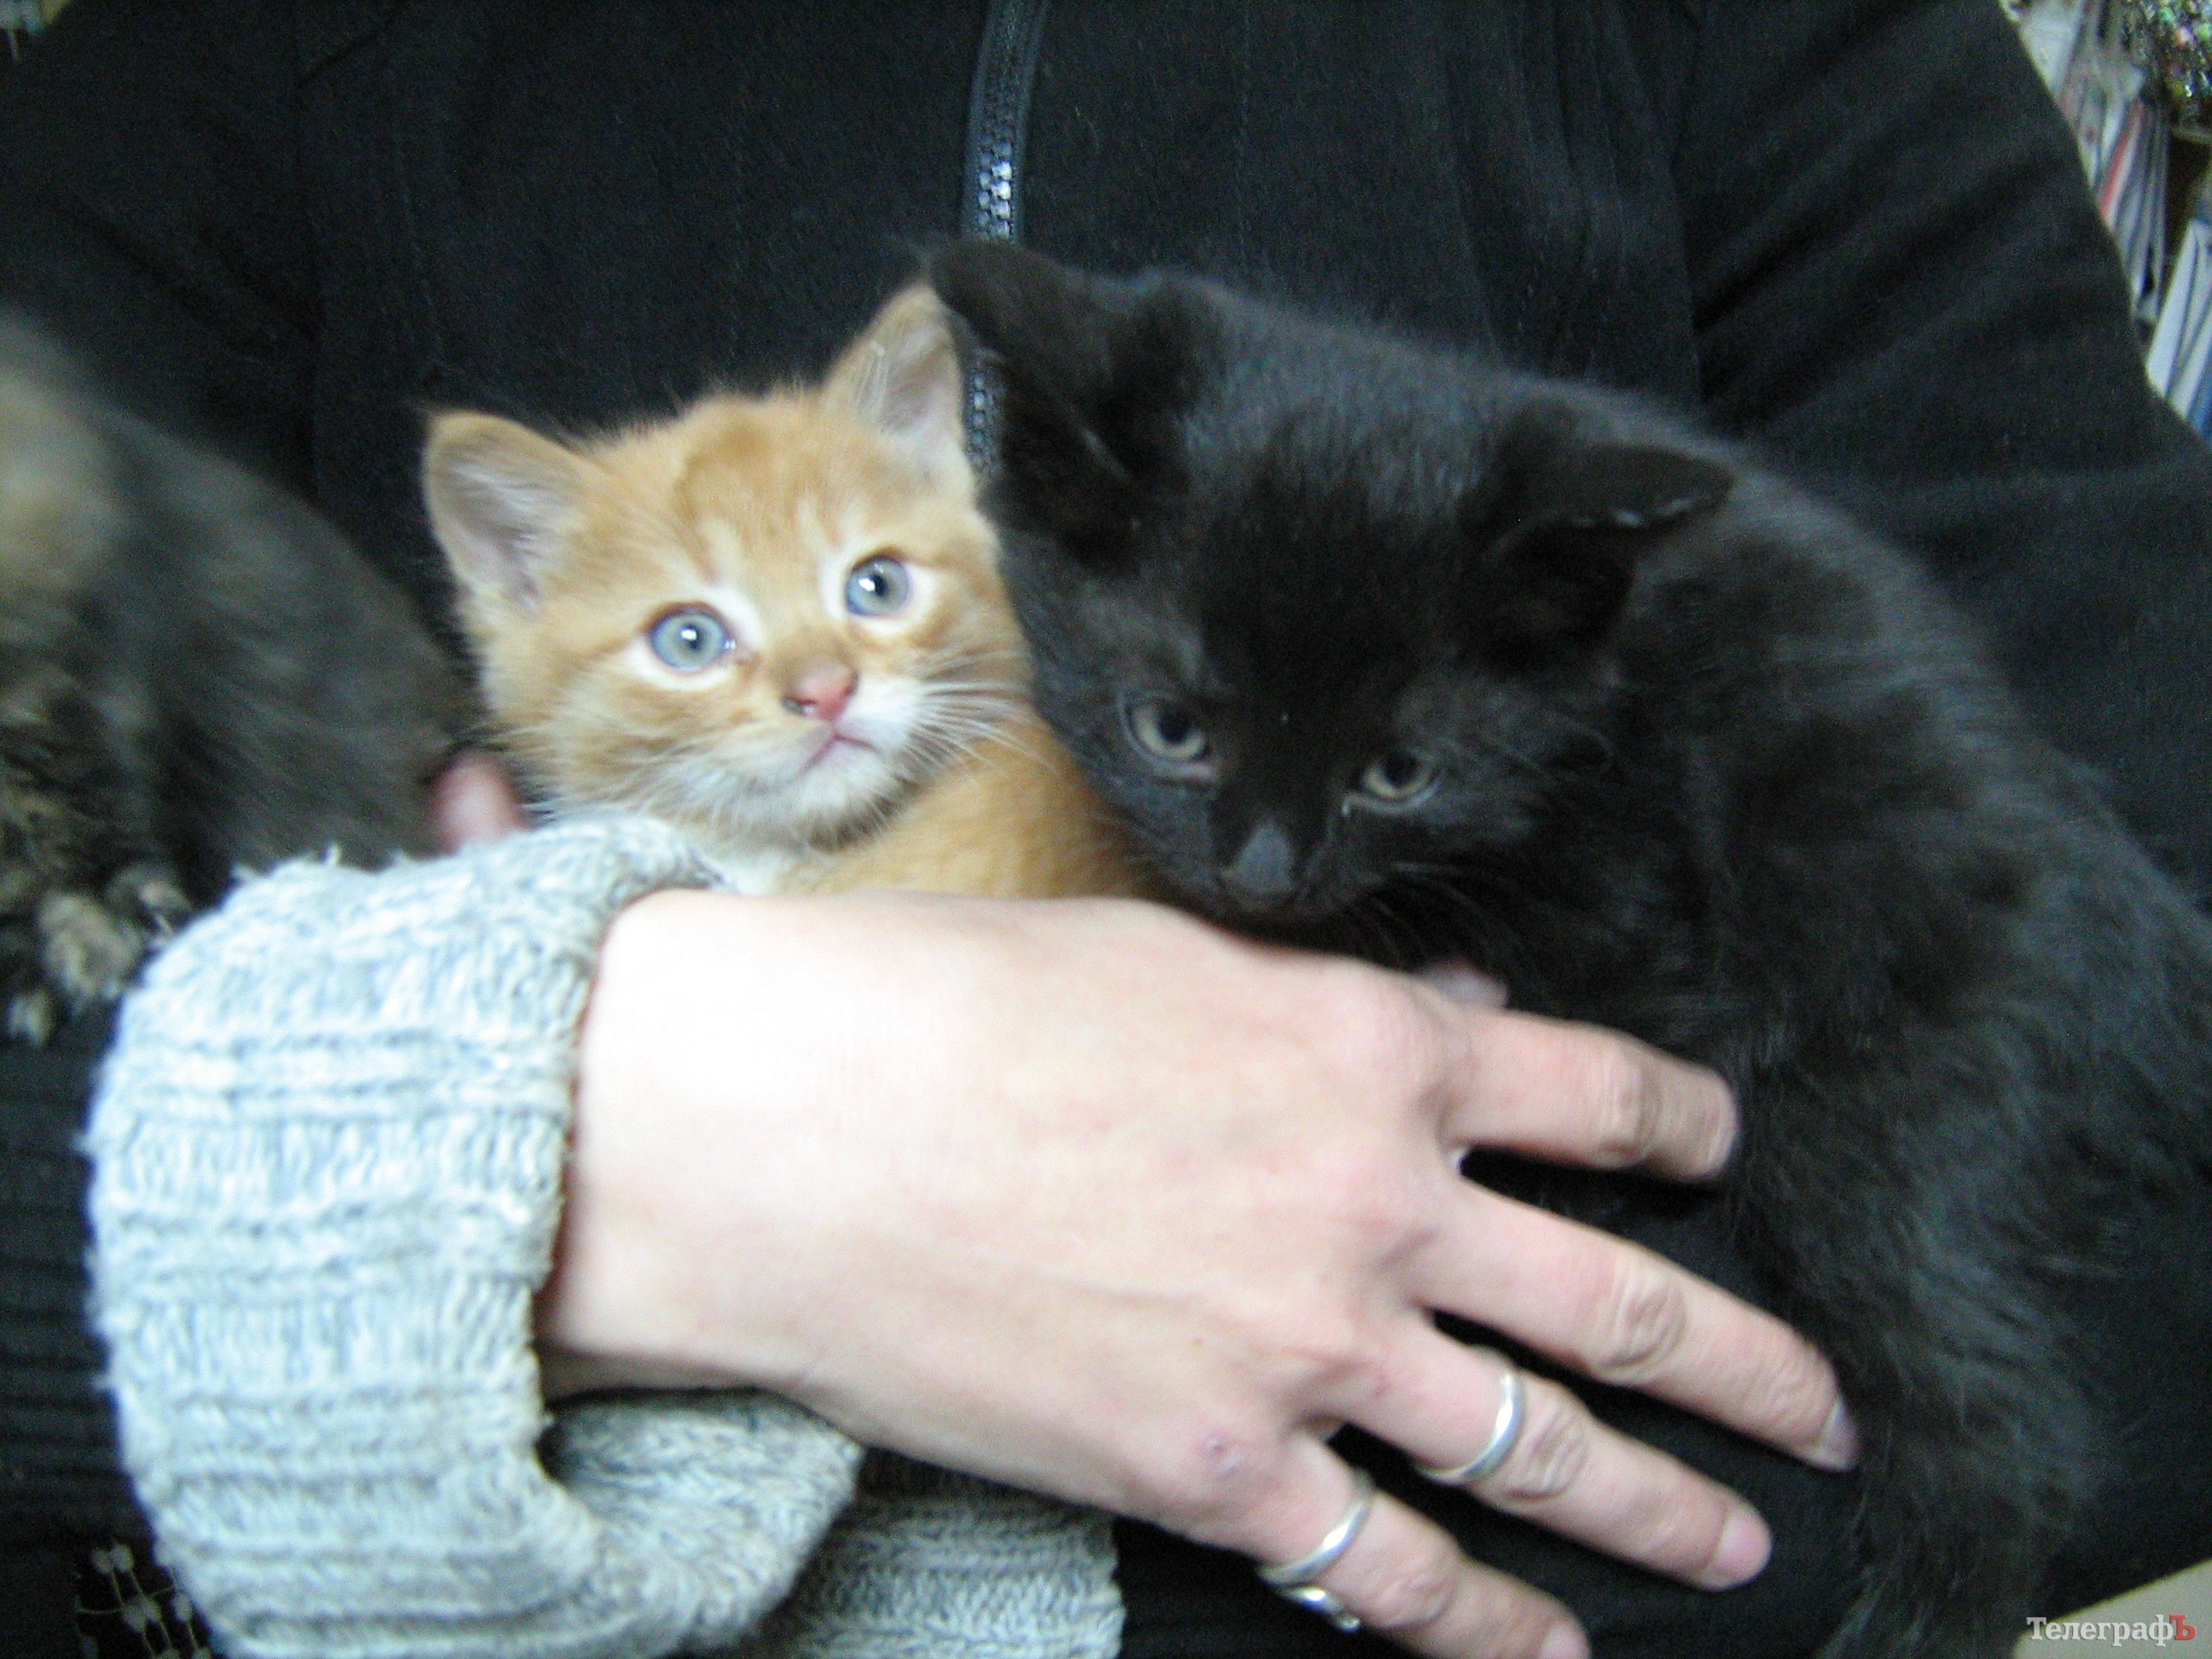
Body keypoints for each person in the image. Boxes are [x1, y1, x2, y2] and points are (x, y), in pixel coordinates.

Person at [1, 2, 2208, 1656]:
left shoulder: (1758, 48)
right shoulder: (227, 67)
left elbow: (2143, 1063)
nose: (823, 686)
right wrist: (563, 1150)